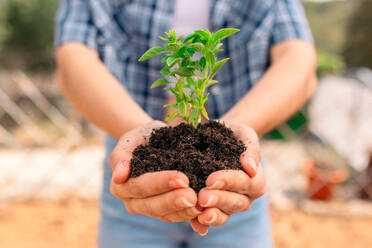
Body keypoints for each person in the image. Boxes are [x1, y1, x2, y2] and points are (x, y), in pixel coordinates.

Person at [55, 0, 316, 247]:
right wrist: (136, 129)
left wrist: (233, 134)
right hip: (134, 156)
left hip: (236, 168)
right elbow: (73, 54)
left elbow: (297, 56)